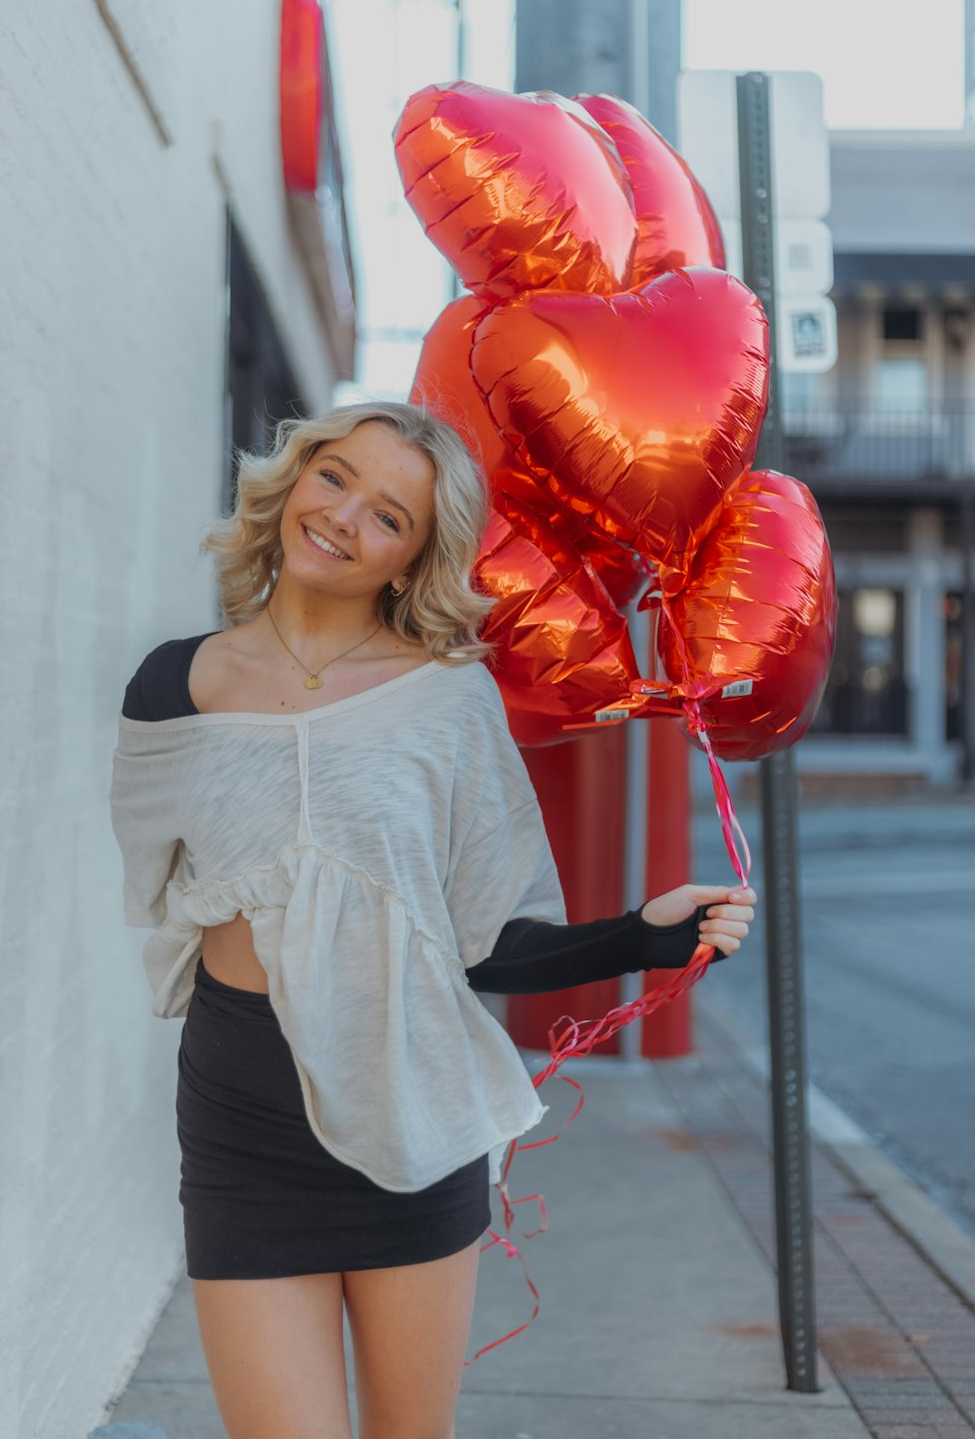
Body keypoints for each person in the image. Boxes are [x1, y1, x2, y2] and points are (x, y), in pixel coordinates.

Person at [109, 400, 756, 1439]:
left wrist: (642, 931)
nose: (343, 517)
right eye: (335, 478)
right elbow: (159, 878)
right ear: (295, 477)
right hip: (241, 1114)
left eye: (389, 516)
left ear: (411, 560)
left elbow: (492, 942)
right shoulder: (170, 685)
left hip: (412, 1109)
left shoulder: (450, 699)